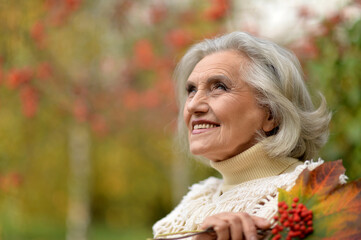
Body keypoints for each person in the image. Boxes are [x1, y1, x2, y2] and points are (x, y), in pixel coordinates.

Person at [152, 31, 331, 240]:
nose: (192, 105)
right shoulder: (192, 204)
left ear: (271, 113)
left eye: (219, 86)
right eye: (191, 90)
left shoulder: (317, 197)